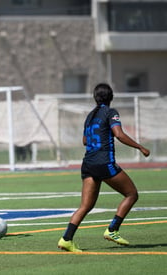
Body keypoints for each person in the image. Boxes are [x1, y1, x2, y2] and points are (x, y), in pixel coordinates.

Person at [57, 83, 150, 252]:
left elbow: (85, 141)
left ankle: (66, 239)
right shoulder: (111, 112)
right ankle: (113, 230)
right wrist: (140, 147)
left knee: (86, 206)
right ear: (111, 97)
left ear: (95, 97)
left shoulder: (90, 116)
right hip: (103, 161)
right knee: (131, 194)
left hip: (88, 163)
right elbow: (119, 134)